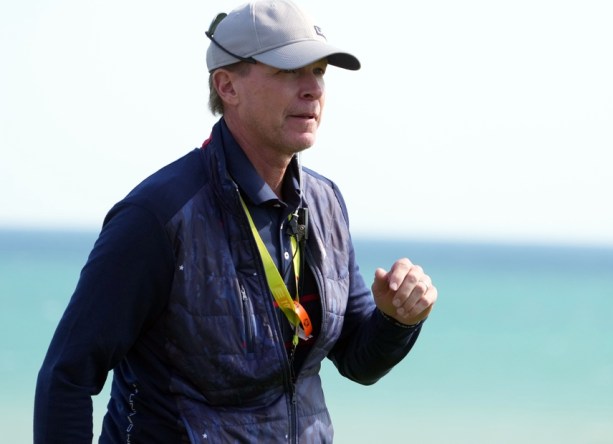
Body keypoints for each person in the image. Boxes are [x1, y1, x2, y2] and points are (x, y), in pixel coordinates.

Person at [34, 0, 437, 442]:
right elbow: (66, 376)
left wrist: (398, 318)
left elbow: (358, 361)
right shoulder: (156, 216)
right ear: (227, 86)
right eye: (289, 70)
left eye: (319, 71)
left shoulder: (325, 204)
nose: (313, 89)